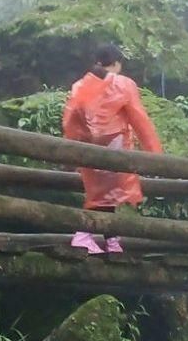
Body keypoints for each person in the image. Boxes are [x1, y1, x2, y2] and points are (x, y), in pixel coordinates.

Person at [61, 44, 163, 254]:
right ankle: (83, 234)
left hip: (88, 147)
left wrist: (73, 148)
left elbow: (71, 118)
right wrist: (155, 154)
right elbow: (140, 120)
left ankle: (111, 238)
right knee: (105, 195)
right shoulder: (123, 84)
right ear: (116, 63)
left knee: (103, 194)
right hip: (114, 147)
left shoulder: (80, 85)